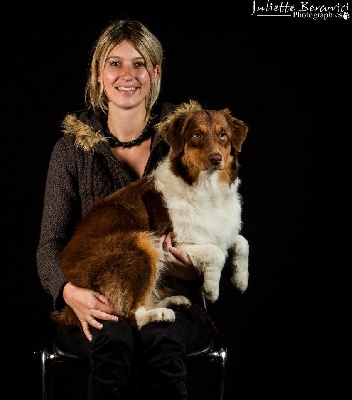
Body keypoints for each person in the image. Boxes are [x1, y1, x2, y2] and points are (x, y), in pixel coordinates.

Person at [36, 19, 216, 400]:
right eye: (115, 63)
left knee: (162, 339)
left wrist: (191, 267)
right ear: (99, 75)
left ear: (155, 73)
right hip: (95, 297)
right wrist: (68, 292)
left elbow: (210, 228)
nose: (127, 75)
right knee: (113, 342)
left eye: (139, 64)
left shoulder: (186, 140)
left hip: (173, 293)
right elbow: (49, 246)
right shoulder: (71, 152)